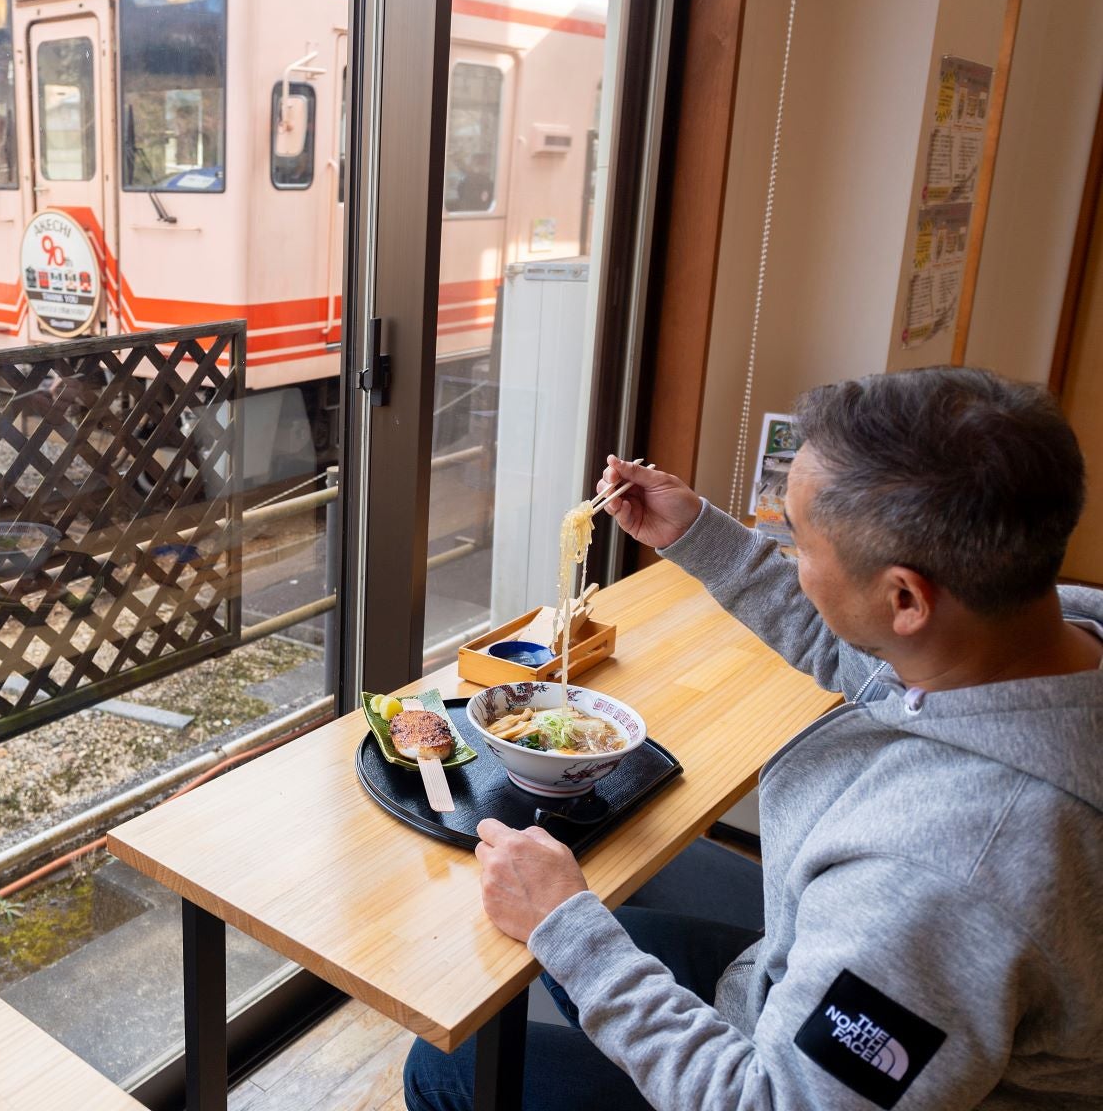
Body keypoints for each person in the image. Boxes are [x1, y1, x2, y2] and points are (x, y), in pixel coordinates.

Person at [404, 366, 1103, 1110]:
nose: (796, 567)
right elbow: (866, 655)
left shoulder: (942, 877)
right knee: (588, 938)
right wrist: (702, 535)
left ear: (905, 596)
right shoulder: (1034, 633)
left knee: (446, 1066)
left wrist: (564, 926)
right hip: (803, 996)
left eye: (800, 546)